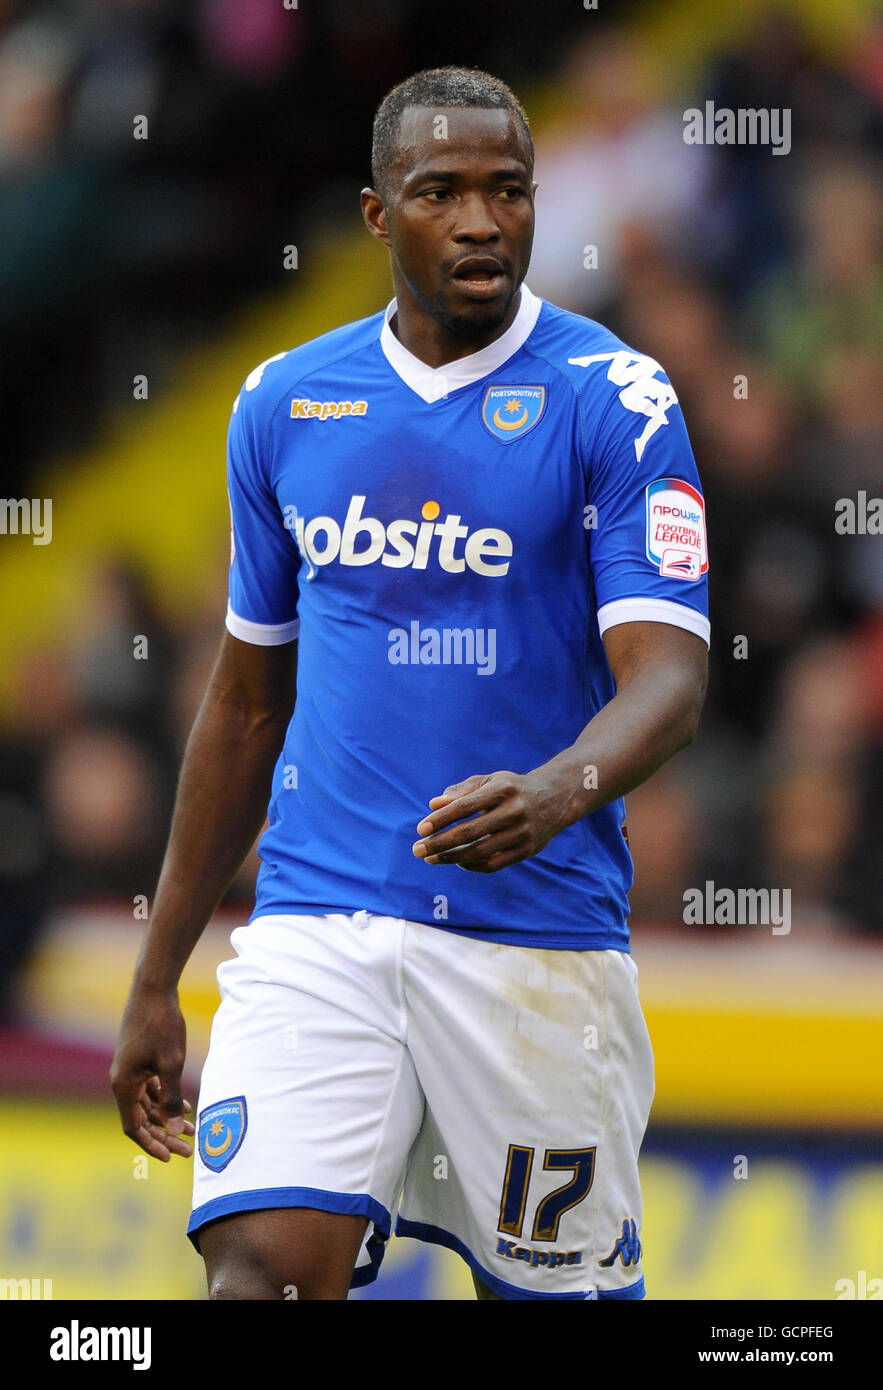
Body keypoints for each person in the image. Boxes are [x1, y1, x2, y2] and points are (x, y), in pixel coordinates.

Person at [111, 66, 709, 1301]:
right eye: (441, 192)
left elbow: (673, 679)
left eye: (508, 191)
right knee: (261, 1280)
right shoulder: (283, 404)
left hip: (534, 951)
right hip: (318, 927)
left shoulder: (616, 399)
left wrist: (555, 791)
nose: (481, 221)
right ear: (380, 216)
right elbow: (242, 706)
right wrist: (155, 973)